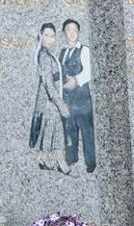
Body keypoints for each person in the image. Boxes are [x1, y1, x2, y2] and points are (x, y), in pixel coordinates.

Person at [30, 22, 69, 173]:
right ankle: (47, 157)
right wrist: (59, 103)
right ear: (40, 36)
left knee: (55, 127)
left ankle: (53, 157)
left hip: (52, 98)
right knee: (51, 127)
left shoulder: (49, 54)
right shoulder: (44, 56)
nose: (49, 39)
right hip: (48, 99)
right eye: (46, 35)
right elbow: (47, 81)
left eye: (52, 36)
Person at [59, 17, 95, 175]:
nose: (72, 34)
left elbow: (89, 71)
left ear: (79, 33)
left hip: (82, 100)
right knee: (69, 131)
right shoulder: (62, 52)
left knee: (87, 132)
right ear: (64, 33)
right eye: (69, 30)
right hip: (67, 100)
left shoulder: (84, 50)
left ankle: (91, 162)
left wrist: (76, 80)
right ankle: (71, 158)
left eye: (75, 30)